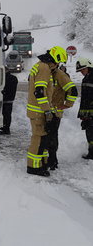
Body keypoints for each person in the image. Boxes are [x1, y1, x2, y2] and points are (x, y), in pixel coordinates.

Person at [26, 46, 67, 177]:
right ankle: (33, 167)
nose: (57, 66)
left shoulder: (41, 65)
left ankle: (41, 164)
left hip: (38, 111)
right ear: (55, 60)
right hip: (39, 112)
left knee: (42, 139)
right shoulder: (44, 68)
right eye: (58, 63)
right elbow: (39, 92)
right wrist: (47, 111)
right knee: (38, 139)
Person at [48, 65, 78, 169]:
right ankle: (52, 160)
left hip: (55, 112)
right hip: (47, 111)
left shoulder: (60, 75)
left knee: (52, 136)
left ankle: (52, 160)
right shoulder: (47, 73)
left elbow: (73, 90)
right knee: (50, 136)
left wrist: (67, 104)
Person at [76, 57, 93, 160]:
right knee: (90, 134)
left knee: (91, 134)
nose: (81, 72)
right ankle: (91, 152)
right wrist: (82, 115)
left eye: (83, 70)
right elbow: (84, 99)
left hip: (91, 115)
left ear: (88, 67)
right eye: (80, 71)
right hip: (88, 114)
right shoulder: (86, 78)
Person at [0, 67, 18, 135]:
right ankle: (5, 127)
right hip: (10, 99)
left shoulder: (4, 78)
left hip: (5, 98)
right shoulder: (13, 78)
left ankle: (5, 128)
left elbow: (5, 88)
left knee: (5, 114)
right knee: (7, 114)